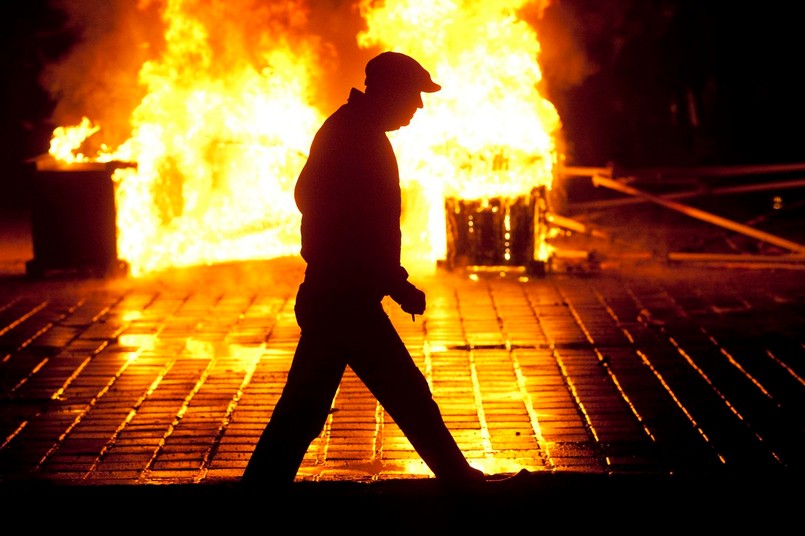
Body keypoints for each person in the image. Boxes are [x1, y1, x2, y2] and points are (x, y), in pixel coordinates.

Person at [241, 51, 488, 490]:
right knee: (404, 394)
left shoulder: (353, 131)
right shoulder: (356, 138)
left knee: (308, 405)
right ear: (389, 91)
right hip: (343, 297)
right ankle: (461, 482)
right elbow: (357, 225)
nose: (418, 106)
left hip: (337, 294)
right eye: (413, 95)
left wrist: (390, 281)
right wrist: (394, 283)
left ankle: (259, 489)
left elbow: (324, 205)